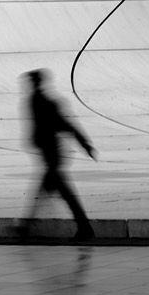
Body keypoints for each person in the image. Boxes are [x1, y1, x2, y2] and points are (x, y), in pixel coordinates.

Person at [21, 68, 97, 240]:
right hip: (50, 154)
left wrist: (85, 144)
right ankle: (25, 227)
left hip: (51, 154)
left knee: (59, 192)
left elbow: (63, 124)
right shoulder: (37, 100)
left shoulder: (42, 102)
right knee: (55, 192)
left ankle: (25, 228)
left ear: (36, 82)